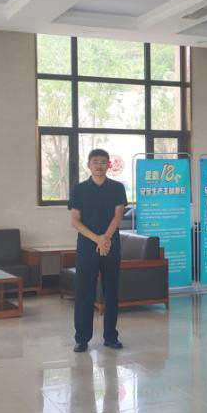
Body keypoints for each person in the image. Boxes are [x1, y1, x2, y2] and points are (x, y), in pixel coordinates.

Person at [68, 149, 127, 353]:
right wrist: (97, 239)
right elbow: (75, 221)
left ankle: (111, 337)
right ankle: (82, 339)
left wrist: (106, 239)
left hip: (111, 246)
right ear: (88, 165)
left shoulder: (117, 188)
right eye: (95, 162)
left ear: (108, 165)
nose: (99, 165)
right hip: (87, 246)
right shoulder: (79, 189)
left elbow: (118, 216)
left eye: (103, 162)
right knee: (84, 293)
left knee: (112, 292)